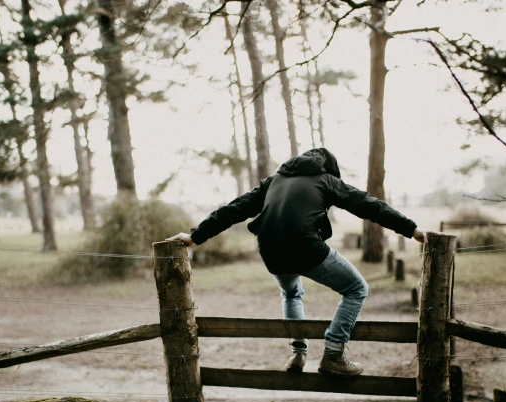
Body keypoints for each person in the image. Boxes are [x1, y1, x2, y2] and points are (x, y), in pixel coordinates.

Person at [167, 148, 427, 377]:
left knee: (291, 293)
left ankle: (298, 353)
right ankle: (334, 355)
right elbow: (368, 205)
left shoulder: (274, 180)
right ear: (328, 168)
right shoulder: (326, 180)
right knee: (356, 289)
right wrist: (411, 229)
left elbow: (234, 209)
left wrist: (194, 236)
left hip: (270, 250)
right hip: (305, 248)